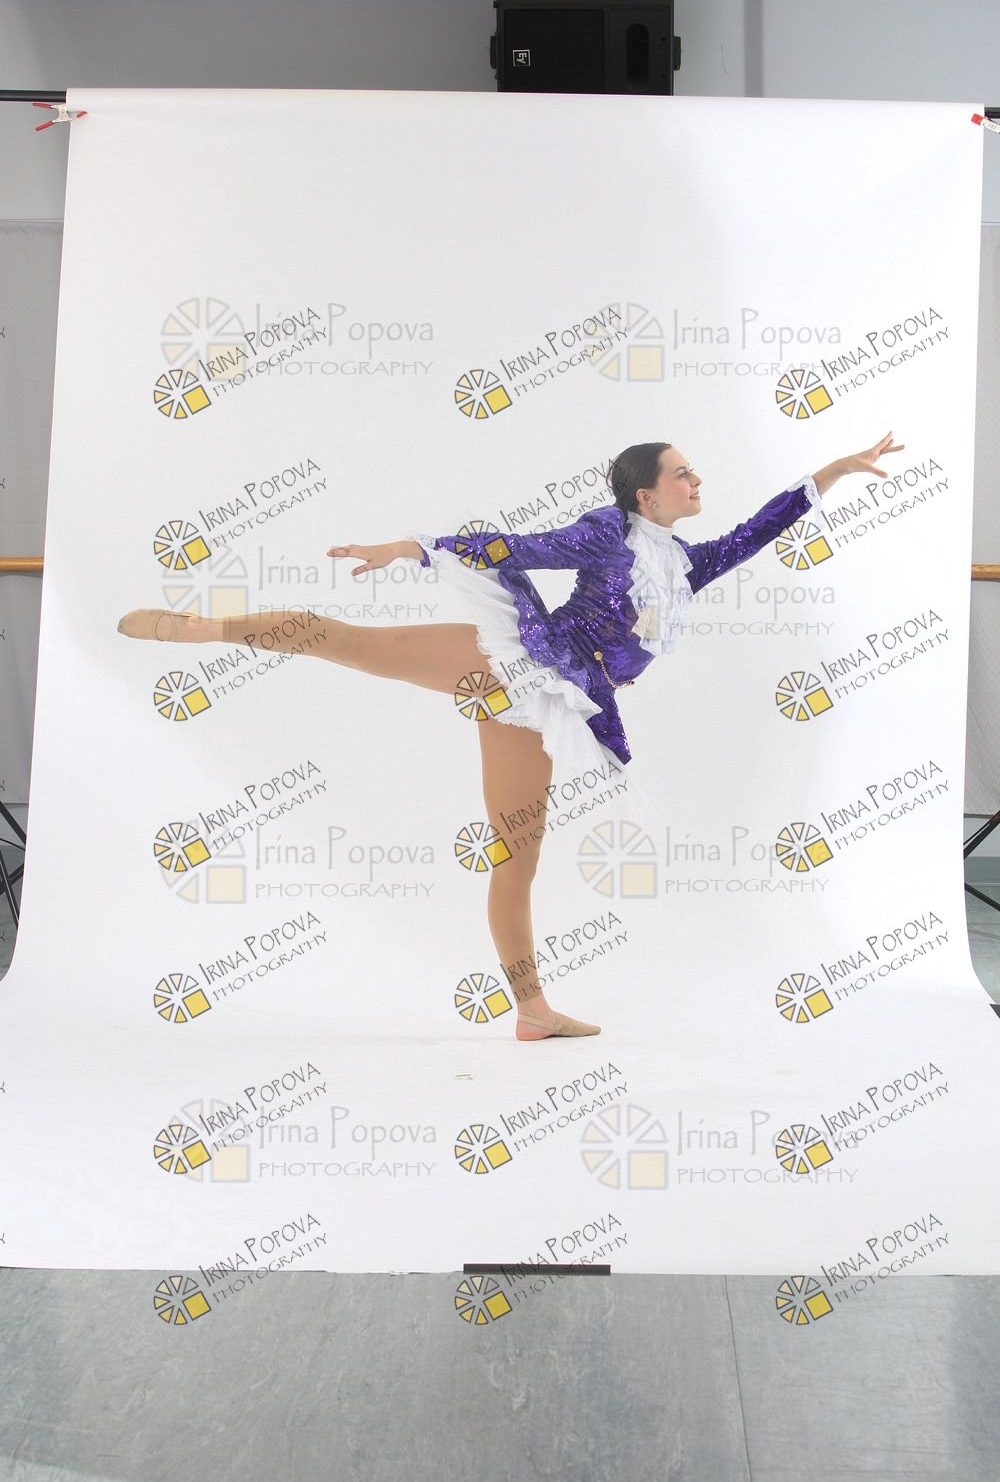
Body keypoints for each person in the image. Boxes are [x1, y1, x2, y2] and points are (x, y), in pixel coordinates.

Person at [118, 429, 904, 1041]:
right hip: (521, 659)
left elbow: (759, 531)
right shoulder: (609, 531)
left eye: (694, 472)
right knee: (354, 643)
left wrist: (832, 472)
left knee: (516, 854)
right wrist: (411, 551)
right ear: (646, 493)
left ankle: (532, 1011)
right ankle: (205, 628)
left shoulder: (682, 562)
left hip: (548, 704)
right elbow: (523, 548)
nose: (696, 481)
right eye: (683, 474)